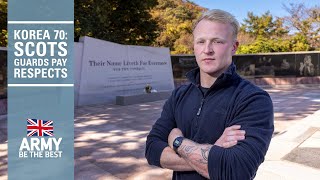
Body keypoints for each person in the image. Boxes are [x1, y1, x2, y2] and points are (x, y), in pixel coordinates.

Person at [145, 9, 274, 180]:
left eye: (217, 41)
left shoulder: (253, 99)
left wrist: (177, 142)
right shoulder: (179, 95)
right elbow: (152, 149)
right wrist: (214, 151)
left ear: (234, 47)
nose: (207, 49)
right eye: (200, 41)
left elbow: (236, 170)